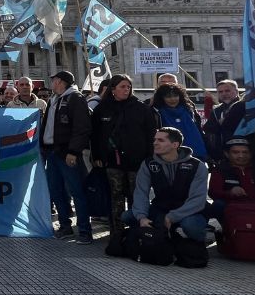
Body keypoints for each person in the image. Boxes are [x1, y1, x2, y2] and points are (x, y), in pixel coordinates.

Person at [90, 74, 157, 245]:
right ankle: (117, 234)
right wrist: (97, 155)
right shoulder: (102, 109)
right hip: (112, 161)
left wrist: (150, 158)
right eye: (122, 86)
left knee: (136, 197)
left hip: (137, 161)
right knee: (116, 197)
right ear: (113, 89)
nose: (126, 89)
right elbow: (95, 135)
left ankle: (137, 232)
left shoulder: (141, 109)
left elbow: (151, 135)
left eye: (128, 87)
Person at [126, 127, 209, 246]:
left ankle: (199, 243)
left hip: (188, 210)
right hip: (161, 208)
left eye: (161, 140)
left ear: (175, 144)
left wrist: (171, 217)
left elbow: (198, 200)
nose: (155, 143)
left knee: (191, 226)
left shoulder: (197, 165)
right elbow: (141, 193)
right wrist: (142, 217)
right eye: (155, 140)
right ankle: (155, 238)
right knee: (128, 216)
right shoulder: (148, 164)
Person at [40, 71, 93, 244]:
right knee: (55, 190)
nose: (52, 83)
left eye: (54, 80)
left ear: (61, 82)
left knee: (77, 191)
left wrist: (74, 151)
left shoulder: (75, 99)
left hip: (67, 153)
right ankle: (65, 226)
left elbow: (82, 128)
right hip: (52, 152)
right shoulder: (54, 98)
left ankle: (84, 230)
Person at [152, 83, 208, 163]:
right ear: (162, 98)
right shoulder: (157, 112)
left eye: (175, 96)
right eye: (168, 97)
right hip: (171, 156)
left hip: (196, 153)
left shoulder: (189, 109)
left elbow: (199, 131)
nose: (173, 99)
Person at [203, 79, 244, 158]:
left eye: (227, 91)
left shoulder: (246, 106)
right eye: (220, 92)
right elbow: (210, 131)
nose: (224, 94)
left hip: (243, 150)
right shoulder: (216, 110)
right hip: (223, 151)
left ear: (236, 91)